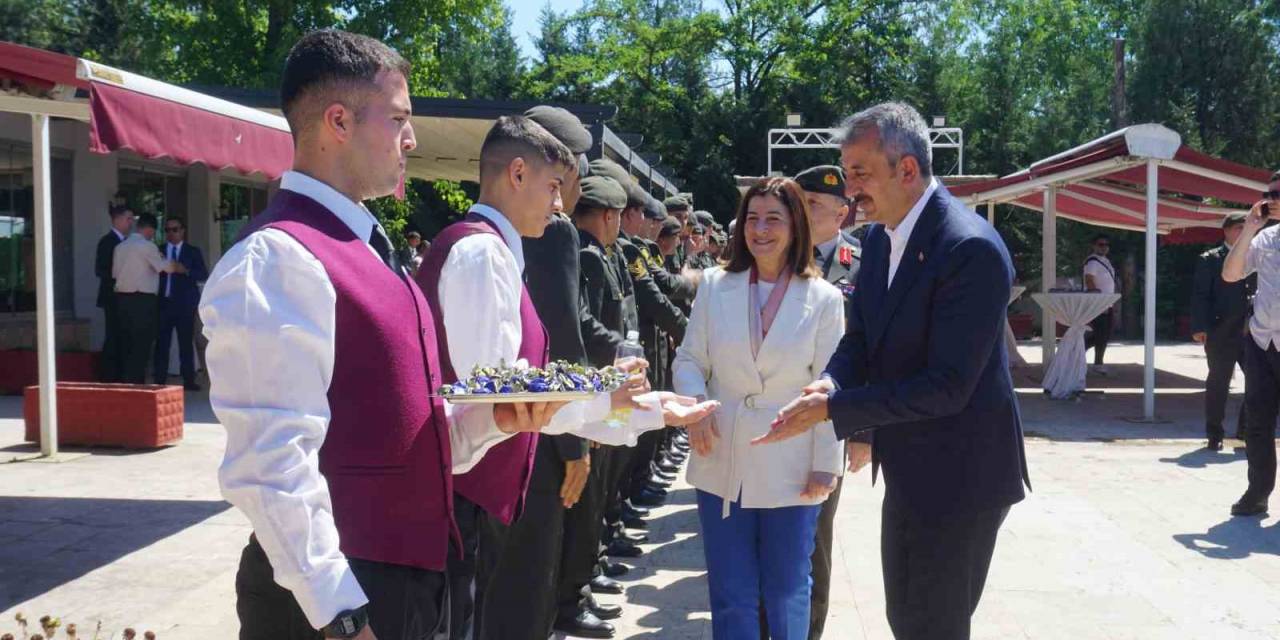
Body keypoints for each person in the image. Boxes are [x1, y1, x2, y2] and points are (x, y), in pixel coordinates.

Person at [200, 30, 558, 640]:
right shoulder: (277, 257)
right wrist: (340, 614)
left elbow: (406, 430)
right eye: (398, 119)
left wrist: (495, 420)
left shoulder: (362, 249)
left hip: (397, 584)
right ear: (338, 121)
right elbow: (271, 466)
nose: (411, 139)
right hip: (336, 599)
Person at [761, 102, 1031, 640]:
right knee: (907, 619)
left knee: (934, 625)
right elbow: (860, 338)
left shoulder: (969, 248)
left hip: (964, 477)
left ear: (906, 169)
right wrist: (830, 382)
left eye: (860, 173)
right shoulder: (882, 241)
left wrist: (835, 409)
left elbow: (949, 385)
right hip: (911, 466)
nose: (850, 187)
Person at [674, 177, 846, 640]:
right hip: (721, 457)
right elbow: (690, 359)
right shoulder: (715, 285)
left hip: (791, 464)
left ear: (796, 226)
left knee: (788, 590)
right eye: (752, 218)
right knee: (731, 592)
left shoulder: (824, 299)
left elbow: (833, 386)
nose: (761, 229)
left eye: (774, 218)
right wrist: (697, 407)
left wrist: (827, 464)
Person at [791, 164, 871, 640]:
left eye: (814, 205)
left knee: (817, 533)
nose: (802, 212)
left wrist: (864, 430)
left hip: (830, 418)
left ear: (842, 213)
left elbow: (871, 350)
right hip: (775, 412)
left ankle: (809, 630)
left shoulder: (862, 262)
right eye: (799, 202)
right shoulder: (774, 254)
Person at [1222, 174, 1280, 517]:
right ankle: (1258, 493)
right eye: (1269, 194)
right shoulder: (1266, 238)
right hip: (1262, 342)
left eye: (1278, 194)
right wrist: (1249, 229)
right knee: (1257, 424)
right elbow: (1231, 275)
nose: (1273, 199)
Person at [1192, 213, 1255, 451]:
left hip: (1252, 330)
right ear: (1226, 231)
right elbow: (1200, 295)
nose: (1244, 233)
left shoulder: (1256, 255)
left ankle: (1245, 429)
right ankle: (1214, 432)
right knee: (1219, 382)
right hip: (1221, 330)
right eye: (1240, 228)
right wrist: (1199, 327)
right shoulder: (1210, 258)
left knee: (1259, 381)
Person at [112, 213, 177, 384]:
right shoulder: (147, 246)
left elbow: (114, 273)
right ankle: (137, 381)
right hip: (142, 299)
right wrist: (169, 262)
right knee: (142, 342)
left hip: (122, 298)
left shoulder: (120, 247)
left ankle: (126, 380)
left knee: (126, 341)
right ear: (149, 229)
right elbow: (165, 268)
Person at [153, 217, 208, 390]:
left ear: (182, 231)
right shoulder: (158, 250)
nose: (171, 233)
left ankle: (189, 380)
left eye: (174, 229)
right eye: (167, 230)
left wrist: (185, 270)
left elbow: (202, 274)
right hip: (164, 302)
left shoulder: (192, 251)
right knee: (162, 343)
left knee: (185, 343)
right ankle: (159, 379)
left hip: (185, 304)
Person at [96, 204, 133, 382]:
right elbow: (100, 270)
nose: (131, 223)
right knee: (112, 335)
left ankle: (120, 374)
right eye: (128, 218)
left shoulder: (128, 242)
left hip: (125, 298)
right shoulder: (107, 242)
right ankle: (108, 375)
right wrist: (118, 276)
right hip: (112, 297)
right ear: (117, 220)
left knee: (123, 335)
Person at [1083, 233, 1118, 374]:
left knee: (1104, 334)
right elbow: (1089, 279)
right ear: (1094, 246)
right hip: (1098, 303)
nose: (1104, 247)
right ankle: (1097, 363)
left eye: (1106, 245)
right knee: (1101, 333)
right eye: (1101, 244)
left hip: (1107, 302)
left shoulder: (1105, 261)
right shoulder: (1092, 262)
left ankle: (1080, 353)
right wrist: (1097, 301)